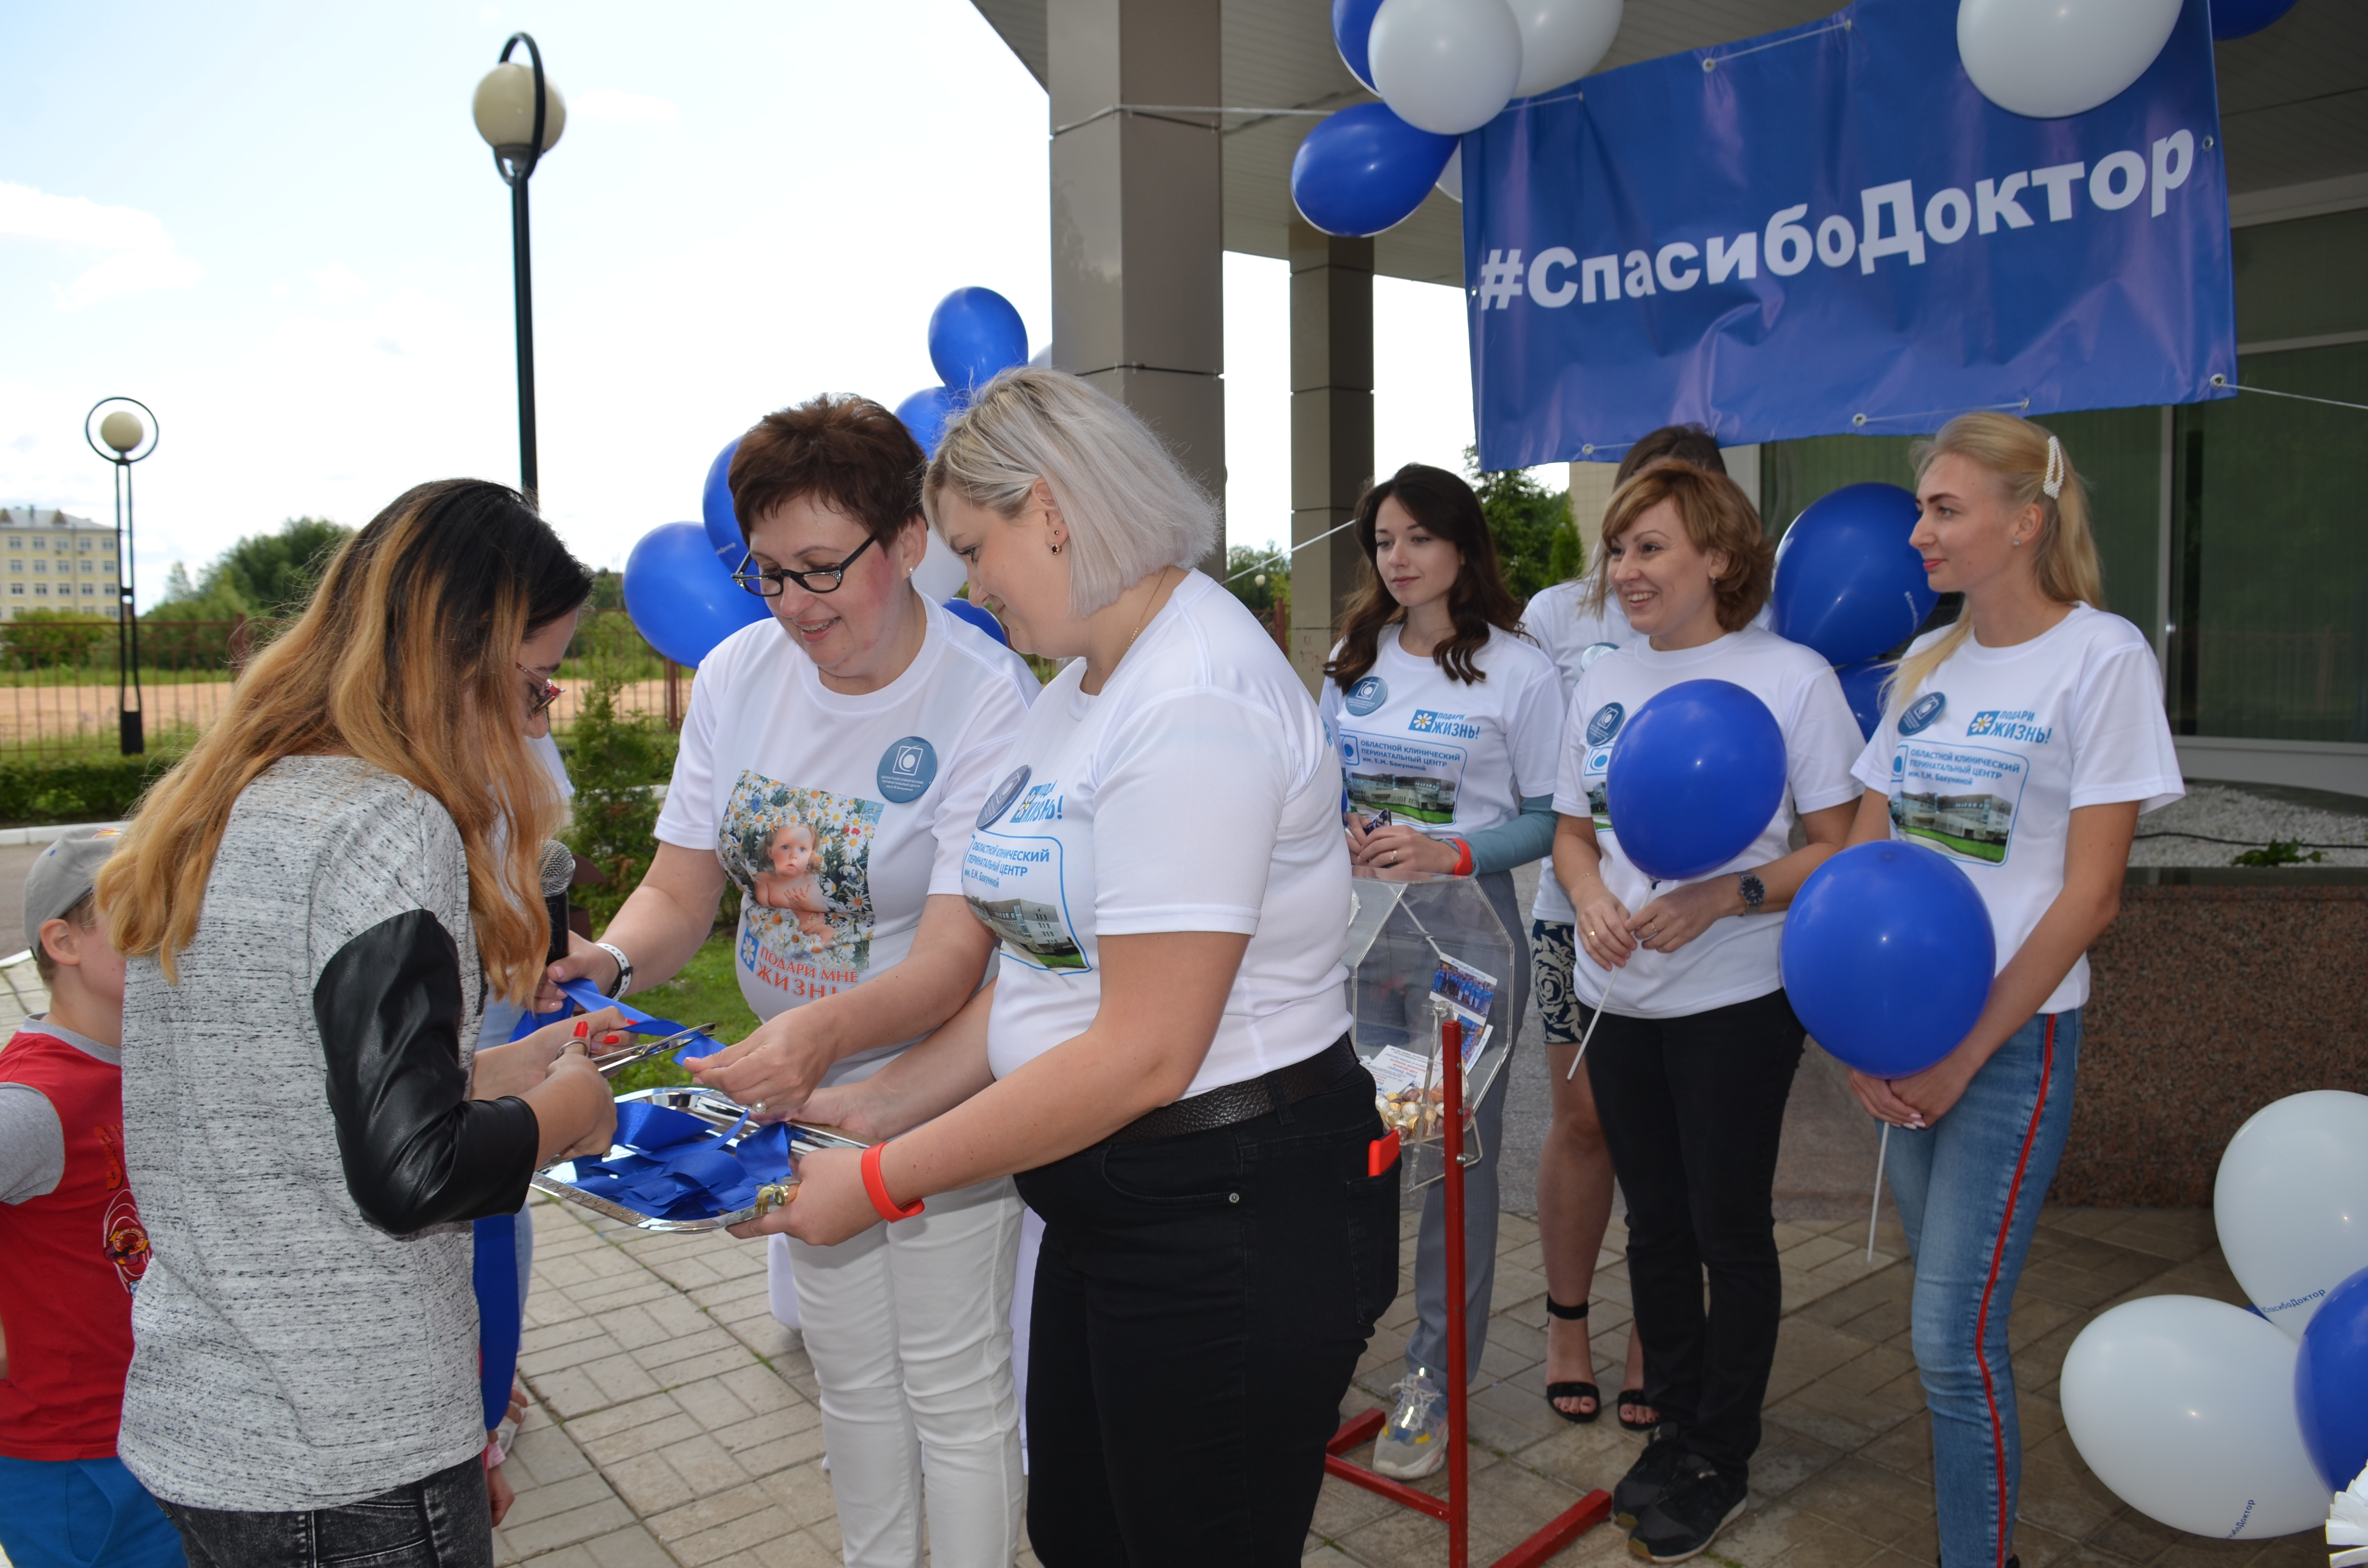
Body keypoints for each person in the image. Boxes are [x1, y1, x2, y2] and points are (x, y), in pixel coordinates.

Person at [750, 367, 1396, 1566]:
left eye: (974, 549)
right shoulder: (1084, 690)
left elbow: (1144, 1048)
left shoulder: (1193, 696)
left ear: (1051, 512)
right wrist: (866, 1107)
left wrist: (883, 1180)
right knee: (1086, 1533)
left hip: (1230, 1212)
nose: (973, 585)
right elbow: (1045, 979)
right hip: (1131, 1215)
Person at [543, 393, 1038, 1568]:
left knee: (955, 1389)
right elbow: (680, 891)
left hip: (939, 1084)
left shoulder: (986, 696)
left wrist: (815, 1045)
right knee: (854, 1379)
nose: (795, 607)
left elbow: (954, 959)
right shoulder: (736, 674)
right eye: (768, 575)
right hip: (791, 1097)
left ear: (908, 541)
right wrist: (608, 963)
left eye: (823, 570)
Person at [98, 479, 624, 1568]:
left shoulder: (231, 798)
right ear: (462, 663)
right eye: (533, 687)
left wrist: (493, 1076)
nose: (538, 721)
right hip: (345, 1447)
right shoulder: (390, 822)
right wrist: (563, 1116)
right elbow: (411, 1178)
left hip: (215, 1422)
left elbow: (280, 1099)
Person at [1844, 414, 2180, 1568]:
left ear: (2024, 522)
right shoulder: (1927, 667)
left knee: (1951, 1340)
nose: (1919, 530)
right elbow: (1870, 865)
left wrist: (1957, 1056)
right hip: (1906, 1037)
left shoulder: (2103, 656)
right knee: (1939, 1331)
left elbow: (2088, 901)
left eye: (1944, 509)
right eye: (1920, 508)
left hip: (2010, 1044)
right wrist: (1862, 1029)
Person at [1550, 462, 1864, 1561]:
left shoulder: (1792, 678)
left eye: (1651, 549)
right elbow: (1572, 827)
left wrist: (1727, 895)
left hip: (1735, 997)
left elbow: (1842, 844)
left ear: (1719, 559)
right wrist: (1588, 895)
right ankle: (1673, 1424)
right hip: (1617, 995)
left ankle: (1720, 1454)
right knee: (1656, 1227)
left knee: (1727, 1232)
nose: (1626, 571)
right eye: (1620, 549)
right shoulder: (1599, 680)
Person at [1315, 463, 1561, 1474]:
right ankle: (1324, 1359)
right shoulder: (1352, 654)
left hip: (1466, 938)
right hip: (1351, 936)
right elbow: (1311, 786)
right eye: (1382, 540)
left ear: (1462, 545)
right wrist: (1345, 826)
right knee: (1345, 1155)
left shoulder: (1521, 670)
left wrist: (1445, 851)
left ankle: (1433, 1377)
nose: (1399, 558)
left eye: (1418, 537)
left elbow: (1549, 820)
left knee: (1447, 1158)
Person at [1527, 423, 1725, 1431]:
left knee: (1678, 1148)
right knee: (1588, 1124)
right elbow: (1551, 784)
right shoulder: (1557, 613)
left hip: (1700, 939)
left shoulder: (1754, 635)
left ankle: (1657, 1338)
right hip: (1579, 920)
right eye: (1628, 529)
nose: (1635, 559)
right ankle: (1566, 1324)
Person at [0, 829, 186, 1568]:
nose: (171, 929)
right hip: (73, 1465)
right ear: (63, 942)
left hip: (150, 1432)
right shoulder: (37, 1099)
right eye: (139, 911)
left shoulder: (146, 1059)